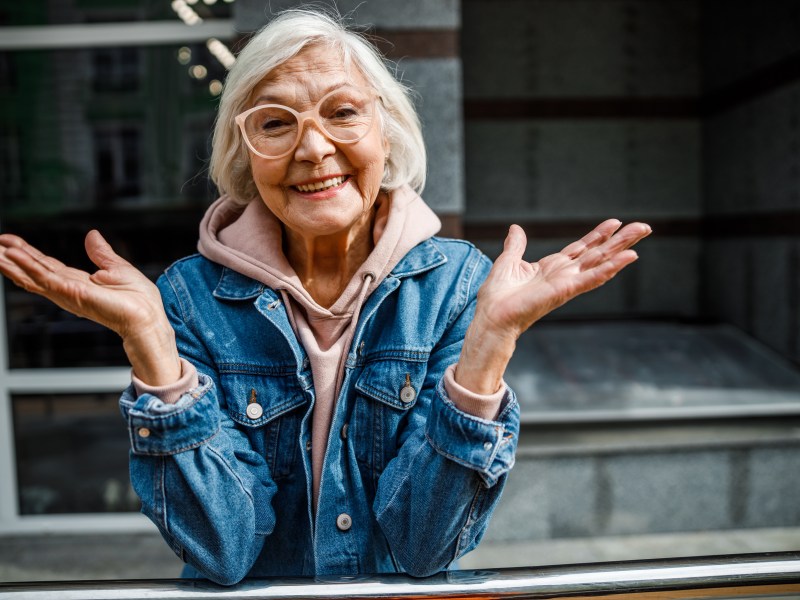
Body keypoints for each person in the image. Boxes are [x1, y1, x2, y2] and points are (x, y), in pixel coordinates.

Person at [0, 8, 651, 585]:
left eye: (341, 112)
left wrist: (491, 343)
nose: (313, 148)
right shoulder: (189, 299)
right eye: (276, 122)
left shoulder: (455, 286)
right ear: (243, 151)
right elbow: (222, 550)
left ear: (387, 133)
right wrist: (152, 349)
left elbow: (425, 549)